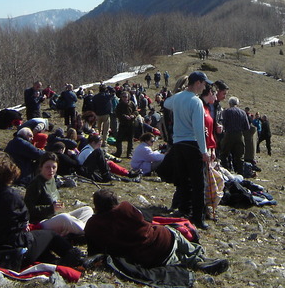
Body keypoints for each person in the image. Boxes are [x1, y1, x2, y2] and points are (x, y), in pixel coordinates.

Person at [0, 152, 83, 270]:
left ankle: (55, 261)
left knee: (39, 242)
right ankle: (76, 258)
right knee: (50, 235)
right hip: (14, 250)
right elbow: (24, 219)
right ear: (10, 176)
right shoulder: (12, 196)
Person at [84, 189, 228, 274]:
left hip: (142, 257)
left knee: (173, 252)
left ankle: (196, 261)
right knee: (175, 234)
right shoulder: (126, 207)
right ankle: (198, 258)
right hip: (161, 240)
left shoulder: (92, 225)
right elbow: (144, 220)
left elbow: (93, 250)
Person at [164, 71, 212, 229]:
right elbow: (199, 128)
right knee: (199, 183)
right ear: (198, 83)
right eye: (204, 84)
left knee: (183, 180)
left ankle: (184, 211)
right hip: (192, 144)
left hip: (178, 144)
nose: (204, 87)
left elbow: (166, 104)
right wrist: (204, 151)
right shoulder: (196, 102)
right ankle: (198, 217)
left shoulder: (177, 98)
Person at [24, 152, 93, 236]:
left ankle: (78, 229)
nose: (51, 170)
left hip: (55, 216)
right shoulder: (36, 184)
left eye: (54, 167)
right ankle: (89, 231)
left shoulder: (52, 179)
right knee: (64, 217)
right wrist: (51, 208)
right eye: (47, 167)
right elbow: (29, 209)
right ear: (41, 167)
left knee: (87, 210)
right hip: (42, 222)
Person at [218, 97, 248, 174]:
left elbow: (223, 123)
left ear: (229, 103)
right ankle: (240, 173)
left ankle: (226, 171)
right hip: (239, 135)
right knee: (239, 156)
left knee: (224, 154)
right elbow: (247, 127)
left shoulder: (226, 111)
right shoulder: (243, 112)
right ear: (237, 104)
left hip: (229, 134)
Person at [114, 89, 138, 158]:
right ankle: (118, 152)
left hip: (131, 124)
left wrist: (133, 115)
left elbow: (136, 111)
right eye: (123, 96)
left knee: (130, 139)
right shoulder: (119, 105)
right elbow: (117, 113)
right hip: (123, 124)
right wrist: (124, 116)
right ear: (121, 97)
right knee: (119, 139)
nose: (125, 98)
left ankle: (129, 153)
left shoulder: (131, 103)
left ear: (128, 97)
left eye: (126, 96)